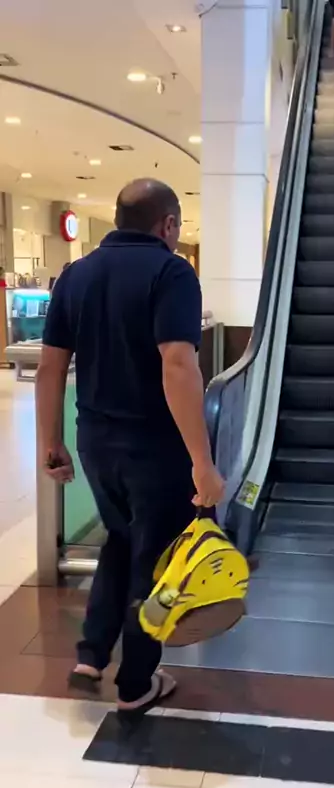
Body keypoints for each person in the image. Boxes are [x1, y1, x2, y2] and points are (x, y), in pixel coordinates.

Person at [36, 178, 225, 715]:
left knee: (121, 539)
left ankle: (91, 655)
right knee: (157, 563)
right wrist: (202, 462)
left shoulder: (76, 274)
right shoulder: (172, 272)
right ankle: (136, 683)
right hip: (155, 448)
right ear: (168, 224)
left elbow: (50, 367)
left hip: (95, 443)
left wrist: (51, 443)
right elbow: (178, 364)